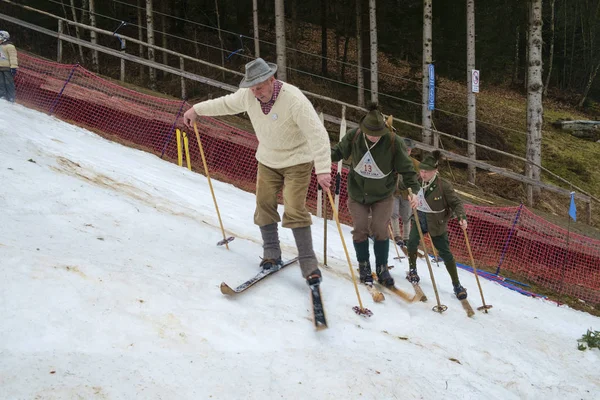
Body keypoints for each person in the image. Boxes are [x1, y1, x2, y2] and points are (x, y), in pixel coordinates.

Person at [183, 58, 331, 287]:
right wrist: (196, 109)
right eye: (252, 88)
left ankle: (309, 264)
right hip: (268, 159)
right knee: (264, 202)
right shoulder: (248, 95)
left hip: (297, 161)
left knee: (293, 206)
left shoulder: (294, 99)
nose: (256, 93)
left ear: (271, 79)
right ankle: (271, 253)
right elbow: (225, 104)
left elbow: (318, 134)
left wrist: (322, 169)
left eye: (259, 87)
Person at [330, 104, 419, 287]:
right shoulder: (354, 136)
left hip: (383, 194)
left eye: (377, 133)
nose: (373, 136)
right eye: (370, 132)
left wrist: (414, 191)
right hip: (357, 192)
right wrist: (321, 157)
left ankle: (382, 267)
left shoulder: (394, 142)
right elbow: (338, 152)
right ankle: (363, 265)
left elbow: (407, 169)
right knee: (360, 228)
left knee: (379, 228)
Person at [405, 150, 469, 300]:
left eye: (426, 171)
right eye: (421, 170)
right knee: (412, 242)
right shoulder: (416, 180)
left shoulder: (443, 186)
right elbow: (404, 186)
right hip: (419, 219)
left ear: (435, 171)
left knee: (445, 253)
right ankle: (412, 269)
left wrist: (462, 217)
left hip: (436, 222)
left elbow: (457, 203)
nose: (423, 174)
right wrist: (409, 194)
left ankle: (456, 284)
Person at [390, 138, 420, 250]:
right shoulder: (394, 159)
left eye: (409, 150)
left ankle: (406, 238)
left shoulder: (414, 163)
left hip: (407, 194)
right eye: (405, 149)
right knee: (393, 213)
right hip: (393, 192)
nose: (407, 151)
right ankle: (397, 236)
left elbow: (424, 170)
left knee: (407, 215)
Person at [0, 30, 18, 103]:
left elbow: (13, 57)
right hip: (0, 67)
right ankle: (2, 95)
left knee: (9, 83)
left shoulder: (10, 46)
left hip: (7, 68)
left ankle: (11, 97)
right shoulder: (0, 46)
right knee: (1, 82)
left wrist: (13, 67)